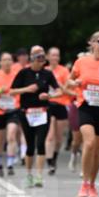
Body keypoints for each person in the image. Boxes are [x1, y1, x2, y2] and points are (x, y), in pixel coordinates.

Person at [66, 31, 99, 197]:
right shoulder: (81, 62)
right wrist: (76, 82)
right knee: (89, 142)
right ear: (92, 43)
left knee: (97, 150)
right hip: (85, 106)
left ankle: (92, 184)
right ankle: (84, 183)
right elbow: (69, 81)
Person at [10, 46, 61, 187]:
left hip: (43, 112)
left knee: (41, 143)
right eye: (39, 58)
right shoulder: (24, 73)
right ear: (32, 59)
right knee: (30, 144)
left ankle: (39, 176)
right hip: (26, 112)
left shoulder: (47, 74)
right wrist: (27, 89)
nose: (42, 61)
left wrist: (49, 95)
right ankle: (29, 174)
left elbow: (59, 91)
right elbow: (12, 91)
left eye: (43, 59)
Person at [0, 52, 20, 176]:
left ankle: (10, 164)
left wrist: (14, 91)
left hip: (13, 109)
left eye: (9, 60)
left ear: (12, 62)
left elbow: (23, 90)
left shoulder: (17, 75)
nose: (7, 62)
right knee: (0, 139)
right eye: (4, 60)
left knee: (11, 135)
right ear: (0, 63)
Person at [44, 47, 71, 175]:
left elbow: (68, 91)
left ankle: (54, 158)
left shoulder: (64, 71)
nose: (55, 58)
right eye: (53, 55)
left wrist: (59, 85)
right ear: (48, 57)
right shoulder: (44, 71)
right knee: (50, 136)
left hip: (61, 104)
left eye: (57, 55)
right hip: (48, 105)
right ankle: (49, 162)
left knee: (59, 138)